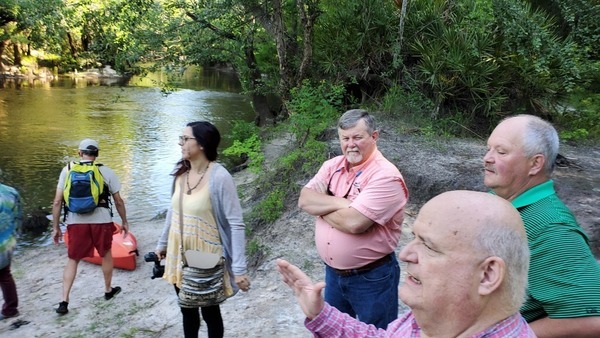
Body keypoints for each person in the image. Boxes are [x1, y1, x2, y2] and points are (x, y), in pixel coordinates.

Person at [279, 190, 535, 337]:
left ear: (488, 275)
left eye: (429, 246)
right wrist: (321, 314)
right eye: (414, 238)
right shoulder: (426, 323)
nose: (405, 254)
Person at [483, 114, 600, 337]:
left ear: (535, 164)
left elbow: (592, 320)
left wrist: (507, 335)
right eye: (488, 149)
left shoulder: (552, 229)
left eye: (501, 151)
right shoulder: (501, 201)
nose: (487, 158)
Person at [297, 109, 408, 328]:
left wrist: (323, 202)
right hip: (333, 275)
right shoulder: (332, 166)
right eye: (345, 138)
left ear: (374, 136)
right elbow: (304, 200)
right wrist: (342, 203)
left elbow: (354, 223)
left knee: (376, 333)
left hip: (371, 278)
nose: (350, 144)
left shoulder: (386, 176)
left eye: (357, 137)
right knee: (334, 330)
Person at [155, 121, 250, 338]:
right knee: (186, 309)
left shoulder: (220, 177)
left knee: (209, 311)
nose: (181, 143)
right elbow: (174, 211)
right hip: (179, 253)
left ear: (202, 145)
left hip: (205, 255)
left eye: (185, 139)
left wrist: (240, 269)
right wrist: (162, 243)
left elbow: (236, 224)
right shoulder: (181, 173)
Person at [51, 138, 130, 315]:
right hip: (101, 221)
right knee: (106, 254)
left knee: (73, 259)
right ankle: (108, 290)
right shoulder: (106, 171)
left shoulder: (68, 170)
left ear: (80, 153)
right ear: (97, 154)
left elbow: (57, 201)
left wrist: (56, 227)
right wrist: (124, 221)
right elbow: (118, 201)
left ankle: (64, 301)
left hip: (75, 222)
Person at [0, 183, 22, 320]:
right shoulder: (11, 192)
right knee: (5, 275)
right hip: (7, 242)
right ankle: (11, 308)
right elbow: (19, 217)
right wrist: (15, 237)